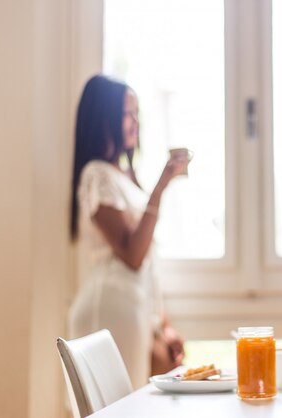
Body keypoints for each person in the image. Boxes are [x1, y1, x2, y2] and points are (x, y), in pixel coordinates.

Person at [69, 74, 187, 388]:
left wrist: (165, 325)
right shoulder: (97, 175)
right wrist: (160, 187)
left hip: (134, 308)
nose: (136, 122)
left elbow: (148, 265)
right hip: (110, 308)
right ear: (103, 117)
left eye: (137, 114)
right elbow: (132, 255)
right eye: (127, 114)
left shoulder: (125, 177)